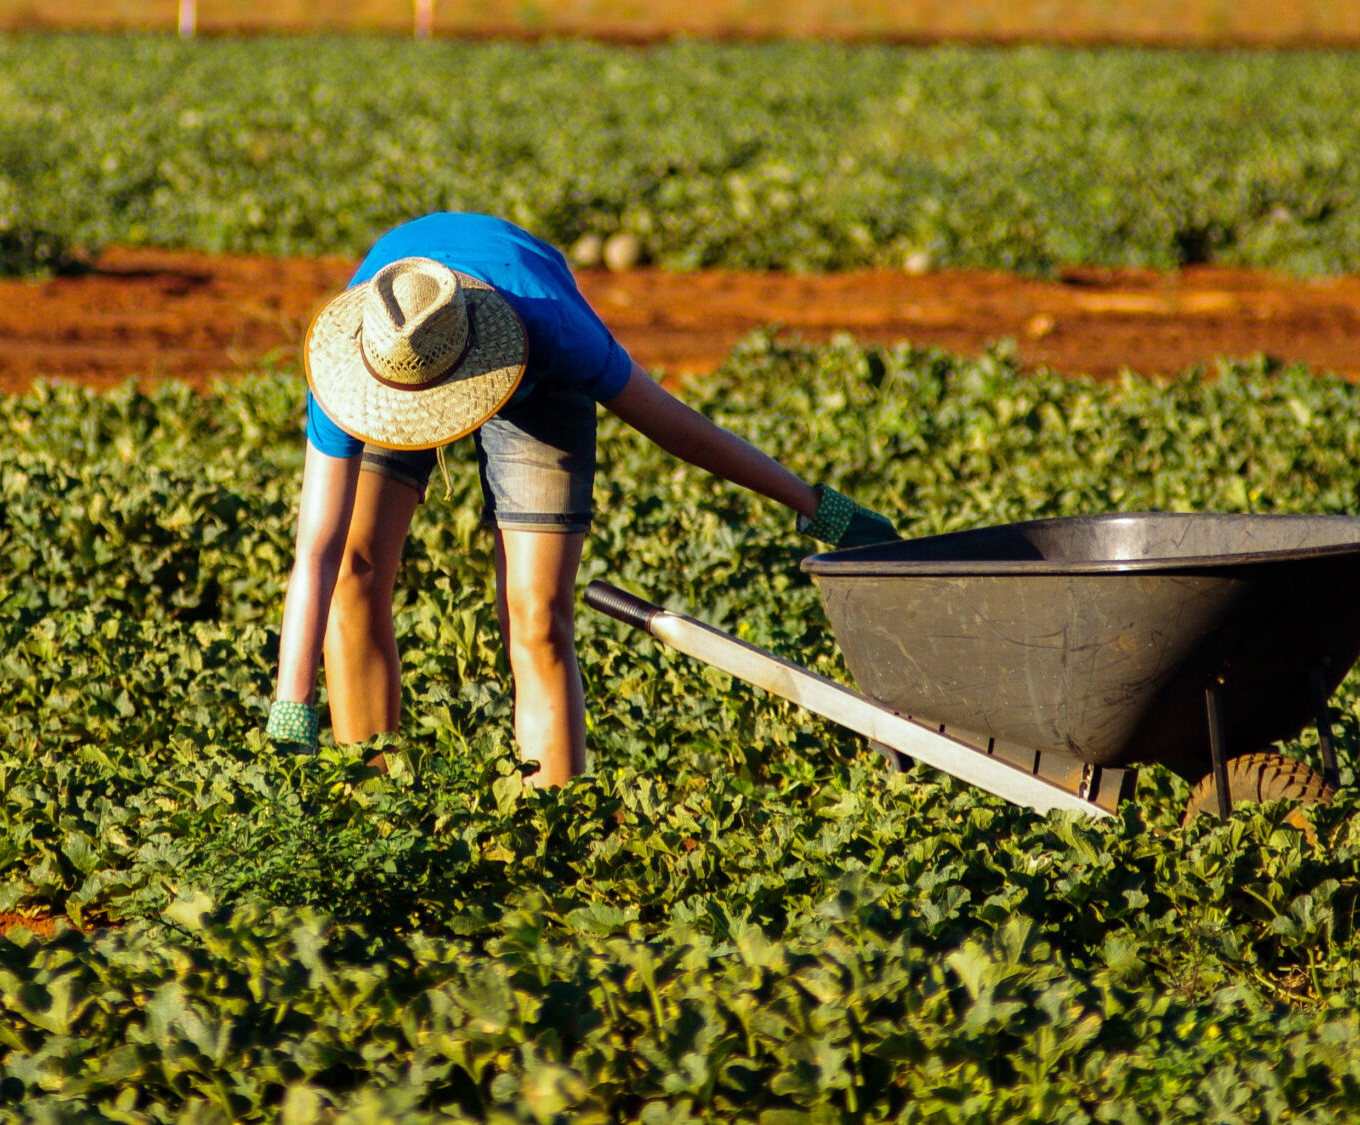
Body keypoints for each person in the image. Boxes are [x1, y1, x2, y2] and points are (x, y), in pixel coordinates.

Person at [267, 212, 900, 786]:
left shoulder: (553, 327)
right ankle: (374, 806)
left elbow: (681, 430)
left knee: (538, 619)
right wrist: (292, 702)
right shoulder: (350, 371)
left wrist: (816, 505)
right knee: (354, 571)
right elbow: (317, 552)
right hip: (391, 370)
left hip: (531, 373)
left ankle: (552, 836)